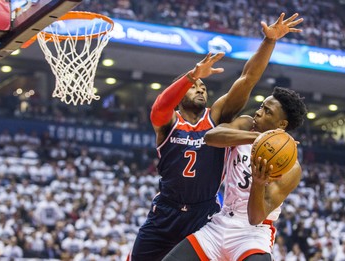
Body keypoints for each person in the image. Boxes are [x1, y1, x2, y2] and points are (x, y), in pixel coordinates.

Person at [129, 13, 304, 261]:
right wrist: (189, 76)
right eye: (194, 86)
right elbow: (171, 113)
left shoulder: (218, 115)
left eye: (203, 87)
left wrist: (268, 42)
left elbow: (247, 79)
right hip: (168, 210)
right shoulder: (174, 123)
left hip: (206, 213)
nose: (200, 89)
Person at [162, 86, 307, 261]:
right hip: (221, 223)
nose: (259, 112)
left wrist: (259, 183)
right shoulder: (247, 125)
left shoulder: (291, 168)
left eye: (267, 111)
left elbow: (255, 218)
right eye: (261, 106)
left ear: (281, 124)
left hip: (252, 235)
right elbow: (211, 137)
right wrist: (258, 138)